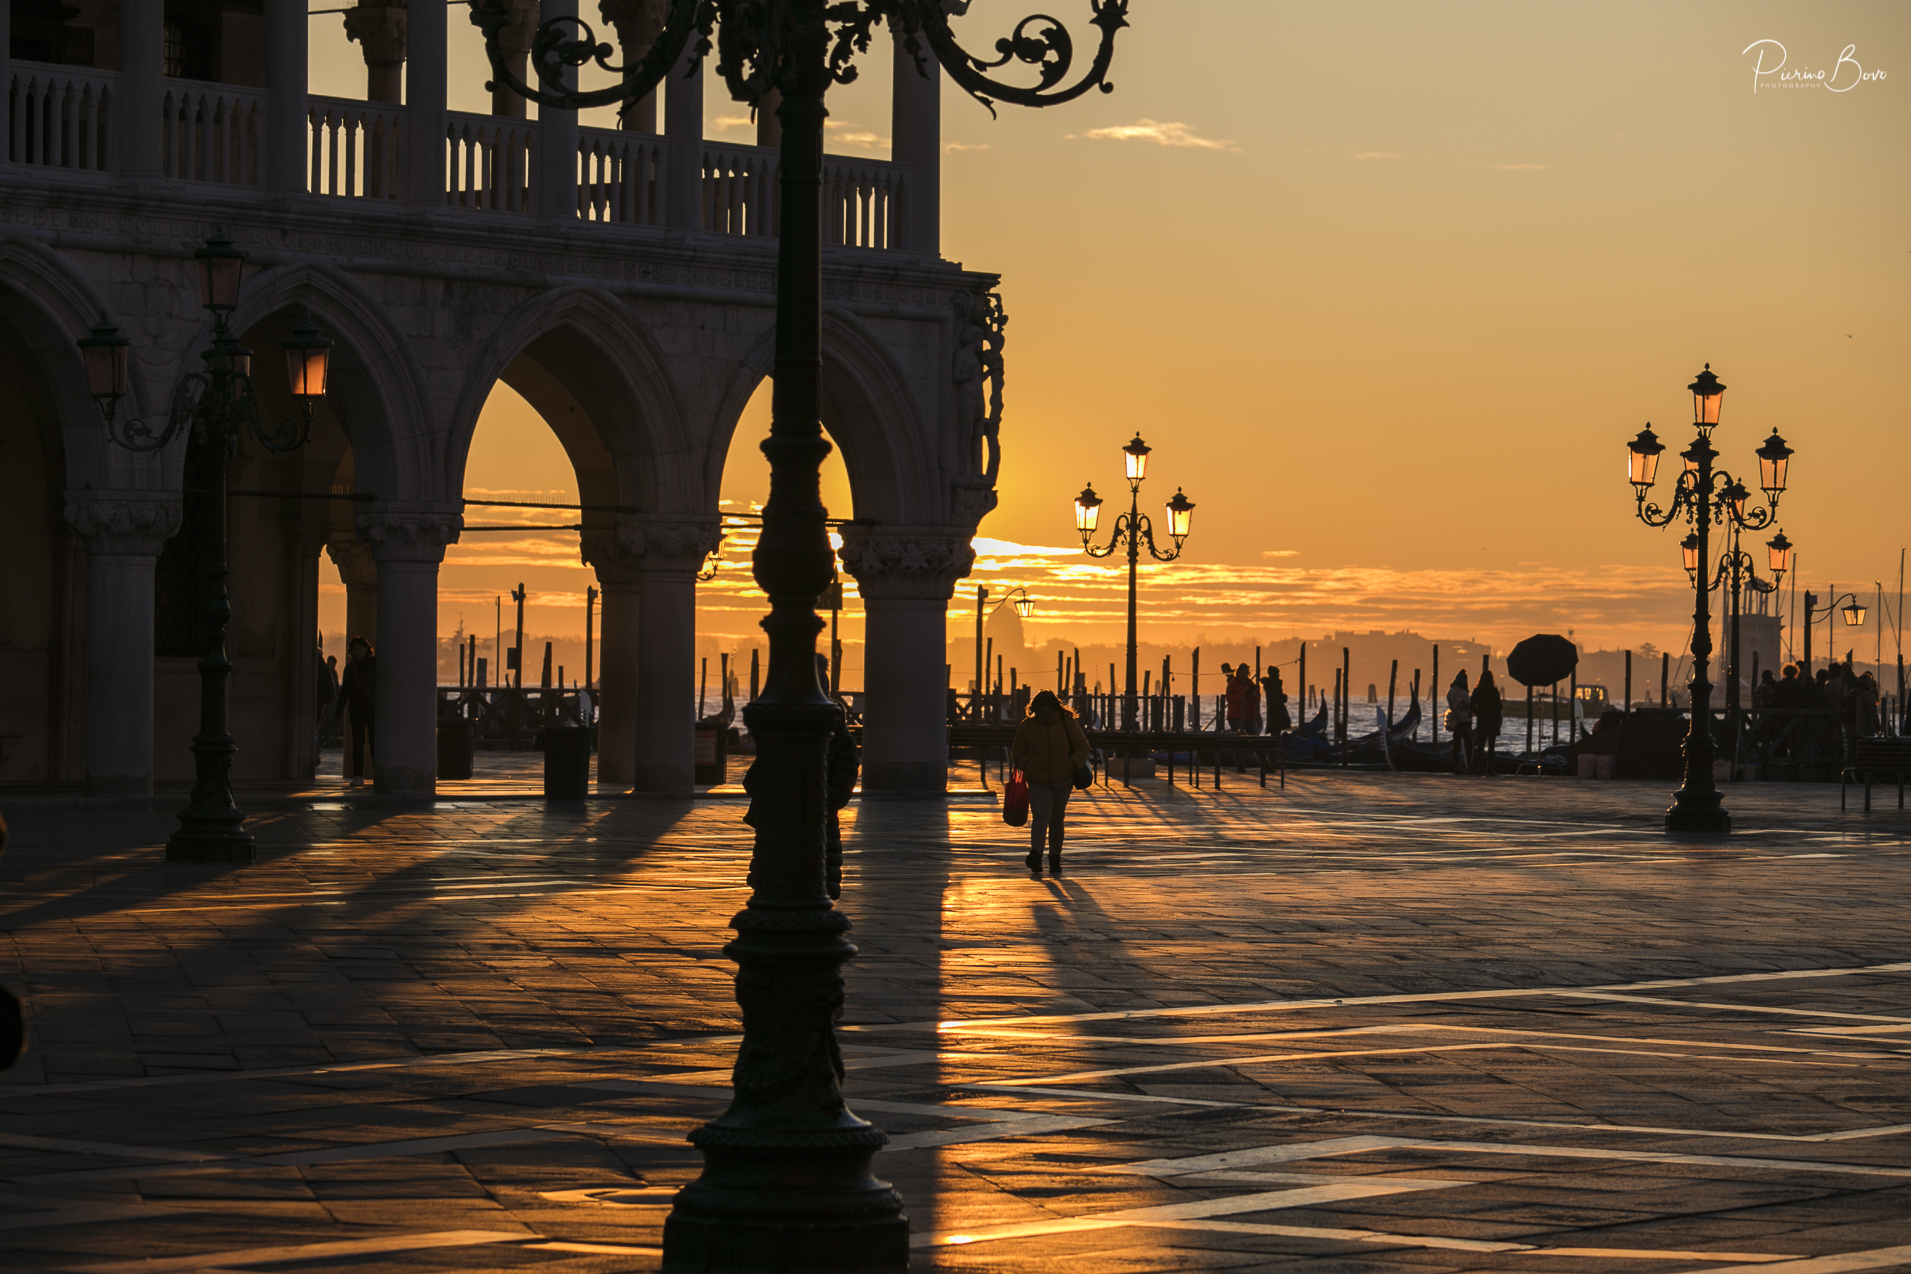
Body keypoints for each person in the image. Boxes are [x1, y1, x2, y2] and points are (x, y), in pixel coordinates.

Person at [1009, 689, 1091, 875]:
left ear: (1055, 709)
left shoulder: (1067, 723)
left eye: (1048, 712)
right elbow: (1017, 751)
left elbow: (1082, 746)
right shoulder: (1027, 726)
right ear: (1034, 710)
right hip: (1037, 780)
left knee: (1056, 818)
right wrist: (1027, 764)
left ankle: (1055, 856)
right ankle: (1036, 854)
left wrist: (1073, 763)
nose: (1044, 716)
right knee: (1041, 816)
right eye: (1040, 712)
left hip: (1063, 779)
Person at [335, 636, 377, 788]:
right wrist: (338, 714)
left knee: (375, 742)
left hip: (373, 709)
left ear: (366, 649)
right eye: (354, 650)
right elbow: (344, 692)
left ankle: (378, 773)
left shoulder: (375, 664)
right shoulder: (350, 669)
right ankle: (359, 775)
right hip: (357, 709)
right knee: (358, 743)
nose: (357, 652)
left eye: (360, 649)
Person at [1469, 670, 1502, 774]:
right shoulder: (1494, 691)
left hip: (1482, 720)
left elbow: (1471, 706)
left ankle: (1480, 767)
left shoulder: (1477, 691)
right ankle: (1490, 767)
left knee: (1481, 744)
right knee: (1491, 745)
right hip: (1492, 720)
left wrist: (1478, 712)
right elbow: (1499, 706)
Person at [1445, 670, 1473, 774]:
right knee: (1470, 744)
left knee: (1456, 744)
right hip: (1464, 721)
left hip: (1455, 721)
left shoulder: (1449, 691)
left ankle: (1456, 765)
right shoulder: (1463, 692)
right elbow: (1469, 705)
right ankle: (1469, 766)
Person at [1261, 666, 1291, 737]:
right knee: (1276, 730)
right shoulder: (1275, 684)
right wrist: (1284, 697)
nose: (1279, 675)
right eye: (1278, 673)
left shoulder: (1269, 684)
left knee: (1274, 731)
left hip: (1272, 711)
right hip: (1277, 711)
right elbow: (1280, 697)